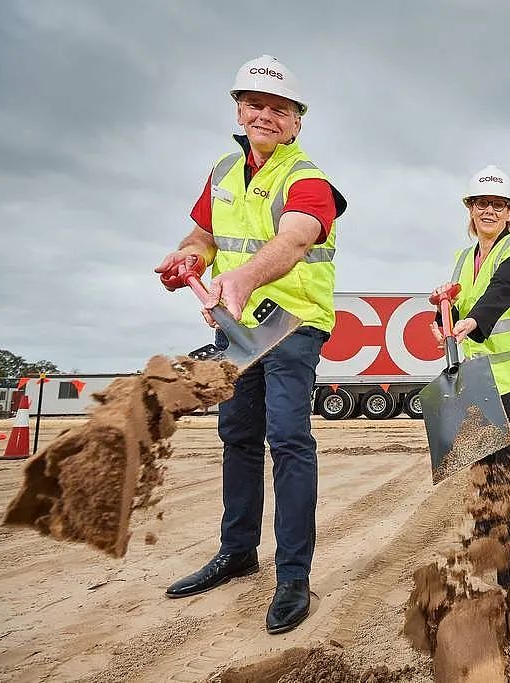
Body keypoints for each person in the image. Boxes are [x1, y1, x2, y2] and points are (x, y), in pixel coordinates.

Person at [154, 55, 346, 634]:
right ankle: (237, 552)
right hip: (238, 328)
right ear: (239, 110)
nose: (265, 115)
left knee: (288, 438)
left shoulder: (307, 180)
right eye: (255, 104)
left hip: (292, 325)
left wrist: (241, 279)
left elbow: (295, 238)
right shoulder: (222, 171)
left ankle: (293, 577)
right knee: (237, 434)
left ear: (297, 121)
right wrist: (192, 255)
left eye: (279, 108)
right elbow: (205, 232)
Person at [430, 166, 510, 590]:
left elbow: (502, 290)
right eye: (482, 203)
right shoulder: (465, 258)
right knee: (484, 457)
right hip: (482, 376)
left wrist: (473, 321)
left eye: (498, 205)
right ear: (470, 208)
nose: (489, 210)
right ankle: (492, 537)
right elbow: (459, 303)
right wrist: (442, 319)